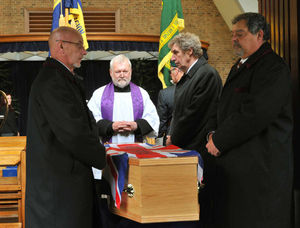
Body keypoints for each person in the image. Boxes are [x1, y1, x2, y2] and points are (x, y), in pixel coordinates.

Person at [206, 13, 293, 228]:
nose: (234, 39)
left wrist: (220, 140)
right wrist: (212, 134)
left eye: (240, 34)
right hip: (238, 169)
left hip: (261, 169)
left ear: (260, 34)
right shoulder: (241, 65)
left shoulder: (272, 67)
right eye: (232, 34)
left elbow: (255, 113)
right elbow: (225, 107)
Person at [25, 26, 106, 228]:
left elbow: (85, 121)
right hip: (58, 188)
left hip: (64, 182)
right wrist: (102, 157)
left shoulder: (61, 78)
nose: (84, 51)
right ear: (61, 46)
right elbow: (74, 133)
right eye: (80, 45)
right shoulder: (52, 81)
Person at [166, 32, 222, 226]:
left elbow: (192, 116)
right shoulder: (191, 76)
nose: (172, 58)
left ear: (190, 52)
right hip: (187, 151)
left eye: (175, 52)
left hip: (200, 153)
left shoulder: (206, 75)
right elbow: (180, 113)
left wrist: (174, 139)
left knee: (202, 211)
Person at [88, 54, 159, 144]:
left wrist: (136, 126)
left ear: (131, 72)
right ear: (110, 72)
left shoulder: (142, 93)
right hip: (108, 147)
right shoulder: (99, 94)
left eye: (125, 71)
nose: (122, 75)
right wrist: (110, 126)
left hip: (135, 147)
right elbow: (90, 119)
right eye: (118, 72)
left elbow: (152, 119)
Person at [156, 61, 183, 145]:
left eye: (170, 71)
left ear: (177, 70)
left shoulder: (165, 93)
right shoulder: (195, 89)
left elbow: (162, 120)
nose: (170, 75)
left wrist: (158, 135)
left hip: (171, 137)